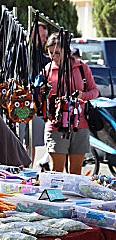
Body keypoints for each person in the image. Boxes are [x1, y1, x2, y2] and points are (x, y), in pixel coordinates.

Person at [45, 32, 99, 174]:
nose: (53, 57)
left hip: (79, 125)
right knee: (56, 172)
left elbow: (95, 91)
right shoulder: (48, 70)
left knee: (75, 173)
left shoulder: (81, 67)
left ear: (66, 50)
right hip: (56, 126)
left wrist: (83, 95)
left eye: (57, 53)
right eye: (50, 53)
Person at [19, 22, 50, 168]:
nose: (44, 39)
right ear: (33, 34)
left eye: (45, 36)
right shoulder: (19, 51)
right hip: (18, 101)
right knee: (19, 138)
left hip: (35, 103)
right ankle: (19, 167)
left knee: (32, 140)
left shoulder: (43, 58)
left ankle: (28, 168)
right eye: (42, 36)